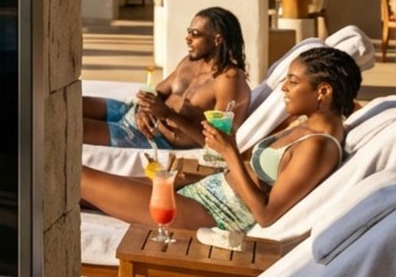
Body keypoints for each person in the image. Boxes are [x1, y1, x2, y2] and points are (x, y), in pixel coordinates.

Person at [81, 47, 359, 233]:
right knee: (80, 193)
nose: (284, 88)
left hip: (212, 213)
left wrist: (230, 153)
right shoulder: (305, 125)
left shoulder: (318, 146)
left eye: (293, 82)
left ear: (323, 91)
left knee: (76, 177)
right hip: (202, 192)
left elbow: (266, 214)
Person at [81, 6, 250, 149]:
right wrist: (143, 109)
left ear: (217, 39)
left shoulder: (229, 81)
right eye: (189, 32)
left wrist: (168, 115)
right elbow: (157, 92)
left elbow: (218, 143)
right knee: (74, 104)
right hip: (136, 114)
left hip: (151, 138)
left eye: (195, 34)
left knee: (74, 128)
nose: (187, 38)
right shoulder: (190, 62)